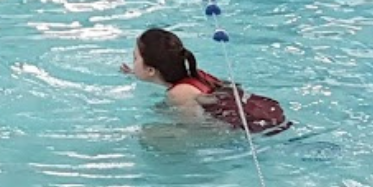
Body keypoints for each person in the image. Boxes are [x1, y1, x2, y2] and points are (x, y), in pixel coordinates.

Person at [123, 27, 290, 135]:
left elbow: (199, 129)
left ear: (151, 70)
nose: (132, 62)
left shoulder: (178, 93)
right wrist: (135, 72)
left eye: (135, 58)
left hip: (256, 129)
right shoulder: (195, 73)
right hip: (268, 113)